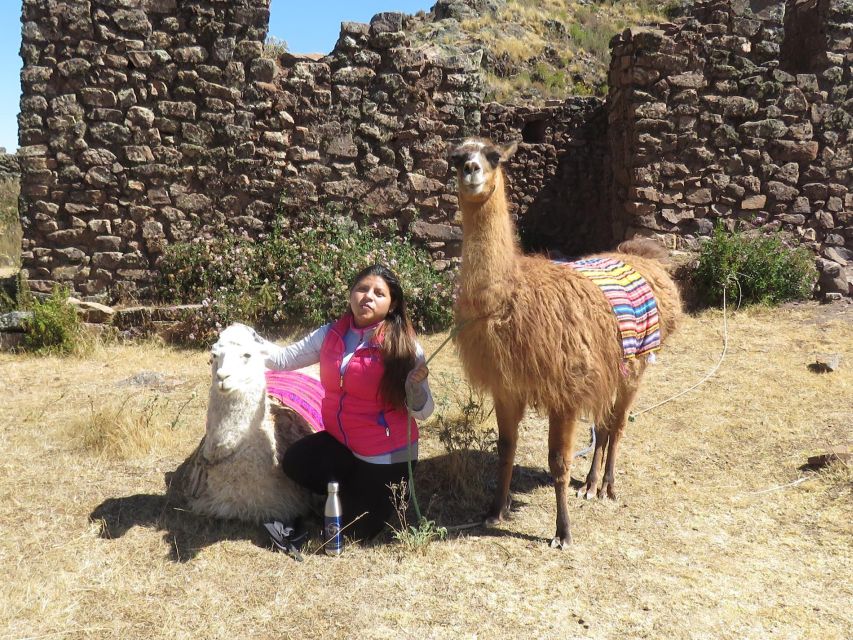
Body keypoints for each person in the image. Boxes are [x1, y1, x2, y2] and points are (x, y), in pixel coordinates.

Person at [259, 264, 433, 541]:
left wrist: (415, 389)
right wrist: (242, 343)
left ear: (392, 304)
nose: (368, 297)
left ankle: (362, 495)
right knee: (295, 462)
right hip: (343, 443)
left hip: (386, 456)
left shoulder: (405, 348)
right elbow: (283, 360)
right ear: (351, 294)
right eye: (362, 289)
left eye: (379, 293)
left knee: (352, 534)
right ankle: (348, 489)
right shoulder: (332, 333)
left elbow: (424, 411)